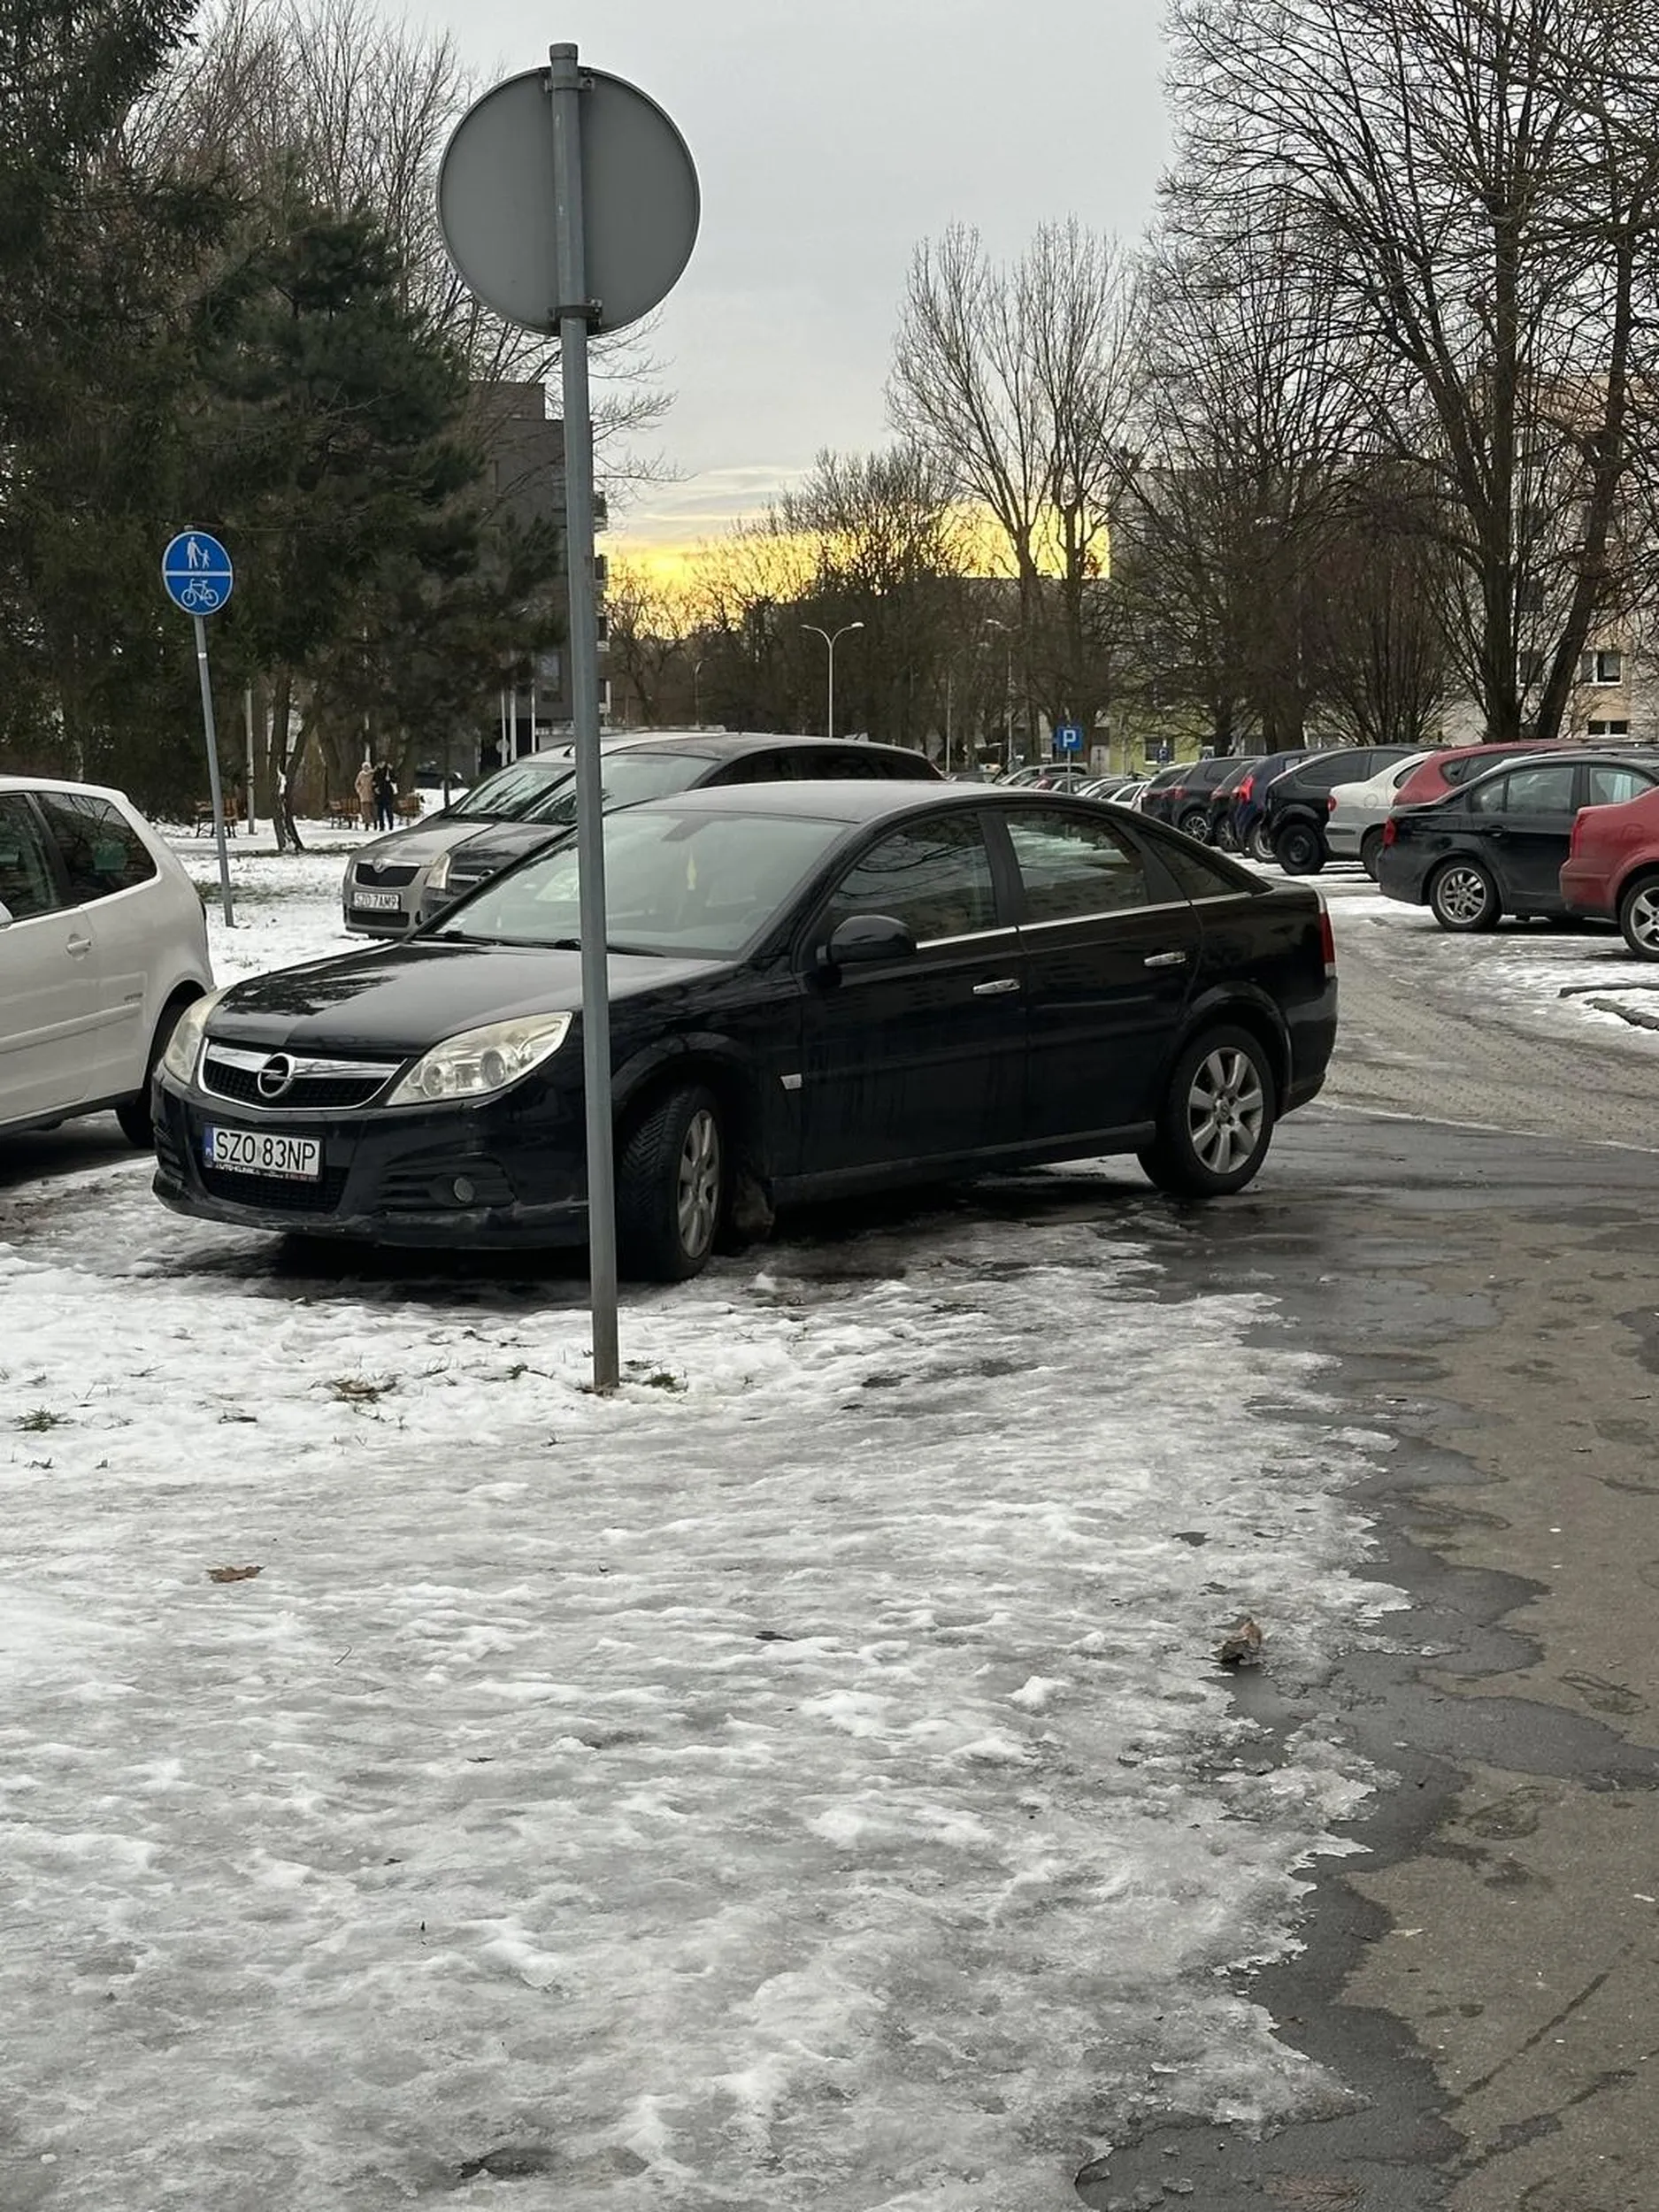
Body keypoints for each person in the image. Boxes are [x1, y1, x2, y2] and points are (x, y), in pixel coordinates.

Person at [372, 760, 396, 833]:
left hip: (388, 794)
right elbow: (373, 782)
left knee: (389, 811)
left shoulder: (389, 770)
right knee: (380, 812)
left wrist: (390, 779)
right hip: (379, 794)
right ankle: (381, 826)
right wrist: (375, 788)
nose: (380, 765)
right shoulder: (376, 772)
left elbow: (395, 780)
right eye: (379, 764)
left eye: (382, 763)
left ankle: (391, 824)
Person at [354, 757, 375, 831]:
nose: (366, 769)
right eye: (364, 767)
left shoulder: (372, 774)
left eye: (367, 767)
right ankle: (366, 823)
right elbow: (357, 783)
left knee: (372, 809)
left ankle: (374, 823)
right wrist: (359, 790)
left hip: (371, 794)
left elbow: (375, 782)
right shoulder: (361, 774)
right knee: (365, 810)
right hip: (363, 795)